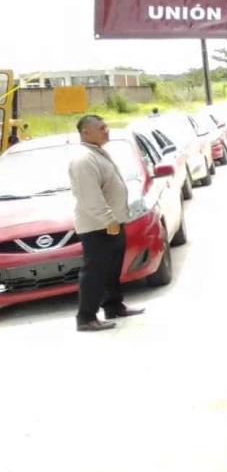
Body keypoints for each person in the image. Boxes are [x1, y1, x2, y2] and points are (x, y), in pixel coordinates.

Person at [68, 115, 144, 332]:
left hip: (112, 222)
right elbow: (90, 196)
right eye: (101, 128)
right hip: (98, 225)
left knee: (111, 270)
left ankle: (113, 306)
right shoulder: (84, 159)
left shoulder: (96, 153)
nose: (107, 130)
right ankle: (86, 317)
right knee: (95, 272)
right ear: (86, 132)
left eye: (106, 127)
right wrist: (108, 219)